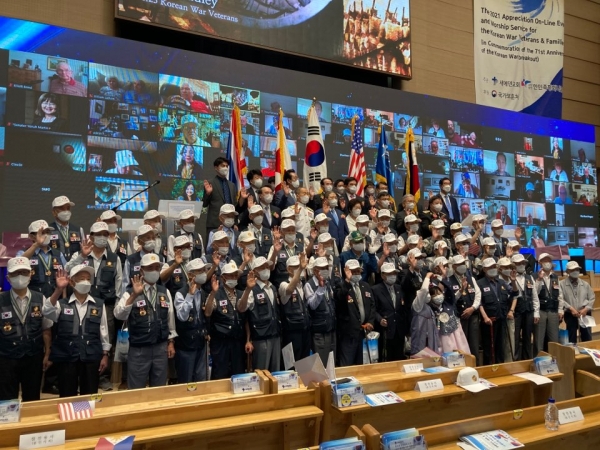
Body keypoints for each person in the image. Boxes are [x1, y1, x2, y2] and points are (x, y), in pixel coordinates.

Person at [44, 265, 111, 397]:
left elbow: (104, 331)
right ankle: (71, 418)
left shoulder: (98, 304)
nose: (86, 281)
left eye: (88, 278)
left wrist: (105, 354)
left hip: (91, 355)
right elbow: (47, 311)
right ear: (72, 282)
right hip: (67, 355)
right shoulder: (62, 303)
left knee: (91, 395)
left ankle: (88, 417)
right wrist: (58, 290)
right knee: (67, 395)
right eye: (81, 279)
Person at [114, 253, 177, 389]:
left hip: (160, 348)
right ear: (141, 270)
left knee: (159, 389)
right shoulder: (129, 292)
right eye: (150, 268)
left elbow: (170, 320)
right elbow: (119, 314)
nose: (154, 271)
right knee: (136, 391)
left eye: (156, 267)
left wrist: (171, 342)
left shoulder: (164, 292)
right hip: (139, 349)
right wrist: (134, 296)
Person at [0, 257, 58, 401]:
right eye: (15, 273)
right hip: (6, 357)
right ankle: (10, 424)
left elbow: (46, 329)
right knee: (7, 399)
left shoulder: (41, 298)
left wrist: (47, 353)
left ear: (31, 275)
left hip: (33, 356)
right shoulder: (1, 300)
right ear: (8, 278)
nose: (20, 276)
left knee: (32, 398)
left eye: (24, 272)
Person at [204, 261, 248, 379]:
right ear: (223, 278)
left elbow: (245, 315)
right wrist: (213, 293)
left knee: (239, 375)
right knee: (220, 374)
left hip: (238, 341)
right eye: (230, 275)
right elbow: (207, 312)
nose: (234, 278)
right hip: (221, 343)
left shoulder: (241, 293)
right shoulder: (216, 293)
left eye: (235, 275)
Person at [237, 257, 280, 372]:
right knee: (261, 375)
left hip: (275, 336)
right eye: (262, 267)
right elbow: (241, 308)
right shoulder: (252, 289)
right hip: (261, 339)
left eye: (267, 266)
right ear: (255, 271)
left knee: (275, 373)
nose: (266, 269)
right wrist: (247, 289)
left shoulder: (273, 288)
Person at [173, 258, 211, 383]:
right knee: (186, 382)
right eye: (199, 271)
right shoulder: (180, 293)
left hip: (201, 343)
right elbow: (182, 317)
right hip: (185, 345)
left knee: (201, 380)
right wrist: (190, 296)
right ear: (190, 275)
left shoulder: (204, 293)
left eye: (204, 270)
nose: (203, 273)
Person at [477, 258, 518, 364]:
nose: (493, 269)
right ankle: (489, 369)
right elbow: (479, 302)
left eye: (494, 266)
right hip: (489, 320)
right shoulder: (480, 283)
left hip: (502, 318)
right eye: (490, 267)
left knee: (500, 347)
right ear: (485, 269)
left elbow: (514, 293)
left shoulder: (501, 282)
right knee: (489, 348)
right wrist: (485, 317)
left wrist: (513, 281)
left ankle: (500, 369)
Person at [335, 260, 375, 366]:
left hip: (364, 332)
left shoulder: (365, 286)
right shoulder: (341, 286)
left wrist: (370, 322)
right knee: (347, 365)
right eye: (353, 272)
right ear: (347, 272)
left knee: (361, 364)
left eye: (358, 271)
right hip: (349, 334)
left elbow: (372, 306)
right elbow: (340, 299)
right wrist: (347, 281)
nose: (357, 274)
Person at [20, 220, 69, 298]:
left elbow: (65, 275)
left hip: (55, 297)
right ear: (32, 236)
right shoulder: (24, 253)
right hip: (34, 298)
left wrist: (64, 298)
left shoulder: (58, 254)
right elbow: (19, 263)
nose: (46, 235)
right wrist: (36, 245)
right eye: (42, 233)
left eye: (48, 232)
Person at [278, 254, 311, 362]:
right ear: (289, 269)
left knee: (305, 365)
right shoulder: (283, 284)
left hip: (305, 330)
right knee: (291, 366)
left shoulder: (302, 284)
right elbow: (289, 290)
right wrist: (301, 268)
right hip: (291, 333)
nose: (299, 268)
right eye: (296, 267)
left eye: (300, 266)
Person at [305, 257, 337, 366]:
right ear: (315, 270)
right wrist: (320, 288)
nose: (325, 270)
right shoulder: (309, 285)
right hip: (319, 332)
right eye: (321, 268)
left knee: (331, 365)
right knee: (320, 366)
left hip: (331, 329)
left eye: (326, 268)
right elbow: (312, 305)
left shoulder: (328, 282)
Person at [373, 262, 407, 361]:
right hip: (385, 331)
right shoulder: (376, 289)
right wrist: (380, 319)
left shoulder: (399, 288)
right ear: (383, 275)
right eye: (389, 274)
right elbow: (372, 309)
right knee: (386, 359)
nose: (392, 276)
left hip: (399, 330)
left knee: (399, 357)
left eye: (394, 273)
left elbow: (402, 308)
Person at [450, 255, 481, 364]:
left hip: (472, 315)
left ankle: (475, 368)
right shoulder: (449, 280)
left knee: (474, 345)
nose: (462, 266)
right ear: (454, 266)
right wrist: (461, 289)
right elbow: (451, 299)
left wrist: (473, 308)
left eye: (463, 263)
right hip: (459, 317)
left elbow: (478, 295)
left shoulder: (471, 279)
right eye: (459, 264)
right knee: (461, 346)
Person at [203, 157, 241, 236]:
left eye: (227, 166)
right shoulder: (210, 183)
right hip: (215, 223)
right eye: (222, 166)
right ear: (216, 168)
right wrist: (208, 193)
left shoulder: (232, 185)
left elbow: (234, 205)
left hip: (230, 223)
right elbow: (204, 204)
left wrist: (236, 222)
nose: (225, 168)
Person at [534, 253, 564, 354]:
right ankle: (538, 360)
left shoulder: (555, 277)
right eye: (545, 261)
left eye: (549, 261)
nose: (547, 263)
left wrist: (560, 310)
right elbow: (535, 293)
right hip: (541, 310)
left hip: (553, 310)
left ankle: (555, 361)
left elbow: (560, 295)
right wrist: (539, 279)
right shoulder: (534, 276)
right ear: (540, 263)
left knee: (554, 338)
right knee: (539, 339)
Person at [511, 254, 539, 360]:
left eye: (523, 263)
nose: (522, 265)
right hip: (516, 312)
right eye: (519, 263)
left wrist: (536, 312)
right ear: (513, 265)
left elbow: (535, 296)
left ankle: (527, 360)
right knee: (516, 338)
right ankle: (516, 361)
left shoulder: (529, 277)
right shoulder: (510, 278)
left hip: (528, 311)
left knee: (527, 337)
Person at [560, 261, 595, 344]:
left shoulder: (585, 284)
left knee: (587, 336)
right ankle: (573, 354)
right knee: (571, 337)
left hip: (584, 314)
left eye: (577, 269)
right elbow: (560, 299)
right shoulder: (561, 284)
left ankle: (587, 354)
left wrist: (586, 309)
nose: (575, 272)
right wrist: (570, 308)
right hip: (570, 314)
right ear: (567, 271)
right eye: (572, 270)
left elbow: (592, 297)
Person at [48, 195, 86, 262]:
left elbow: (83, 251)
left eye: (68, 208)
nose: (66, 211)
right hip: (56, 267)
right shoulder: (48, 230)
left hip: (75, 267)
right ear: (54, 212)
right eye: (62, 208)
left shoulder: (78, 229)